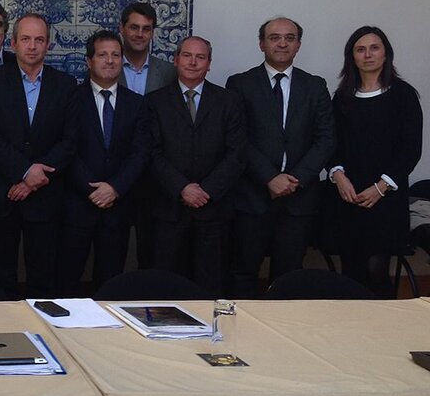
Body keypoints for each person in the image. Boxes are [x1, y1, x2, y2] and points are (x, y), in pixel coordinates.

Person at [226, 17, 335, 297]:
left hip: (299, 200)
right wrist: (269, 177)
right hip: (252, 196)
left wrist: (294, 179)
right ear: (261, 44)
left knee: (289, 276)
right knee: (242, 272)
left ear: (298, 44)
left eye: (289, 37)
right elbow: (237, 138)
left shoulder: (315, 85)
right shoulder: (240, 84)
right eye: (274, 37)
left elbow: (326, 139)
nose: (282, 43)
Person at [0, 14, 76, 298]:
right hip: (2, 192)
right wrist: (24, 171)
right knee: (1, 274)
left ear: (49, 45)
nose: (32, 46)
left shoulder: (65, 84)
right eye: (26, 39)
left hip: (45, 196)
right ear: (13, 43)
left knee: (43, 275)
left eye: (39, 40)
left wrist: (34, 178)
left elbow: (70, 140)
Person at [328, 26, 422, 298]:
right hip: (349, 197)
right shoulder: (342, 97)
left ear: (386, 54)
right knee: (351, 271)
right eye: (360, 49)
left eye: (374, 48)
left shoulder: (403, 95)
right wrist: (338, 176)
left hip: (386, 199)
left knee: (376, 271)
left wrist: (381, 187)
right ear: (352, 56)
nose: (367, 54)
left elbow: (410, 149)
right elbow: (331, 144)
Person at [147, 36, 245, 296]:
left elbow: (236, 154)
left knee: (210, 286)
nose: (193, 62)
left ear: (209, 64)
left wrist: (206, 190)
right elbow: (151, 153)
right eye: (187, 55)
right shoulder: (154, 101)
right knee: (166, 286)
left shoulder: (229, 101)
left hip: (213, 210)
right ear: (175, 60)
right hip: (169, 209)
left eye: (200, 57)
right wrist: (182, 188)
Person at [60, 30, 150, 295]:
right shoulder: (70, 99)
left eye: (115, 55)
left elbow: (140, 153)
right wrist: (91, 189)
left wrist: (114, 188)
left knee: (110, 283)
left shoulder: (137, 104)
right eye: (102, 55)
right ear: (89, 61)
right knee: (66, 280)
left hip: (117, 208)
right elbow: (67, 149)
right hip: (77, 205)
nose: (110, 61)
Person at [116, 1, 176, 271]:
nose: (140, 34)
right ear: (122, 29)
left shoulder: (169, 72)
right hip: (116, 170)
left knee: (152, 251)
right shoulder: (107, 65)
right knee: (111, 250)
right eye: (134, 27)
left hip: (155, 177)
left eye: (146, 29)